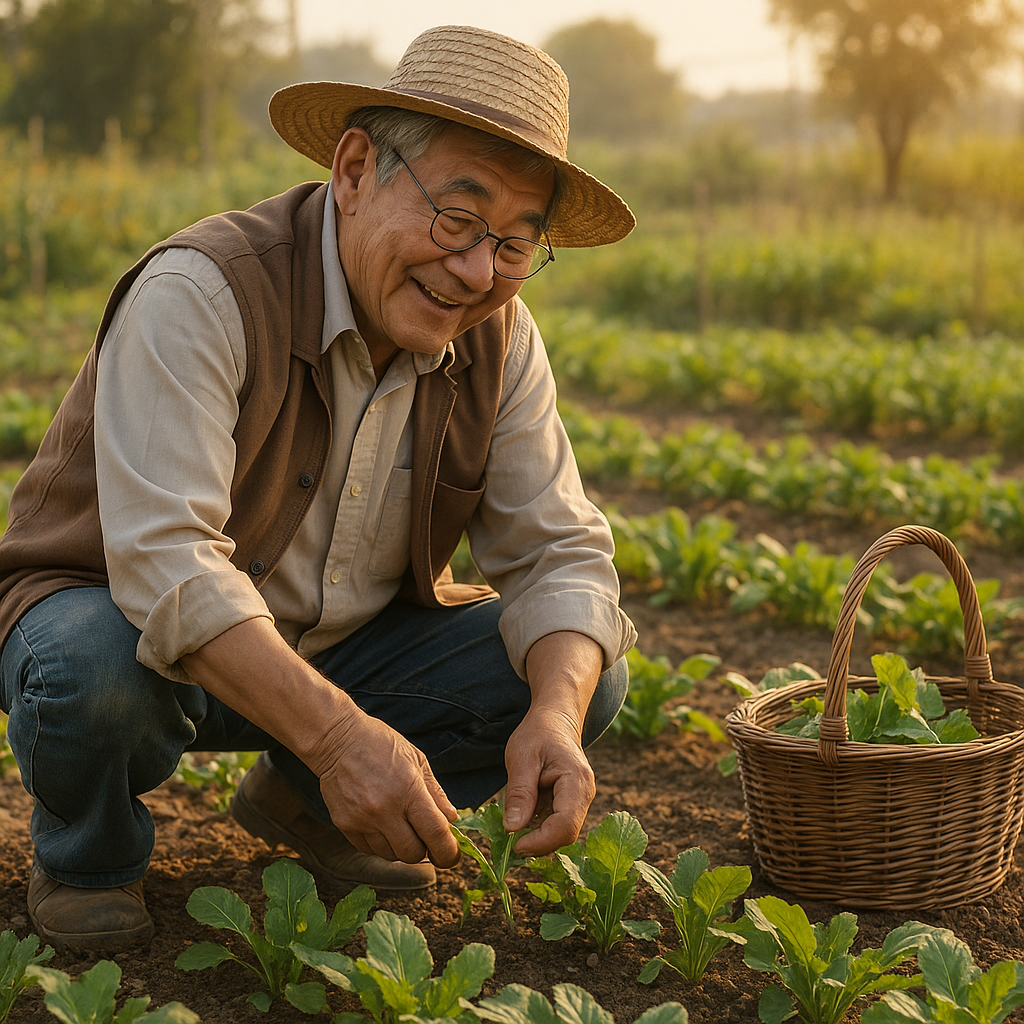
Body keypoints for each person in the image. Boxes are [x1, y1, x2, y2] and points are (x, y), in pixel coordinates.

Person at [0, 23, 637, 953]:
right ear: (351, 169)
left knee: (583, 668)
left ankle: (302, 805)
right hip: (136, 642)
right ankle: (89, 856)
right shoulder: (206, 291)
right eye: (457, 221)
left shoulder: (503, 340)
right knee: (86, 670)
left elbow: (562, 554)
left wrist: (556, 715)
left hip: (339, 653)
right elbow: (165, 564)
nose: (474, 271)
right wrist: (343, 741)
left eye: (512, 244)